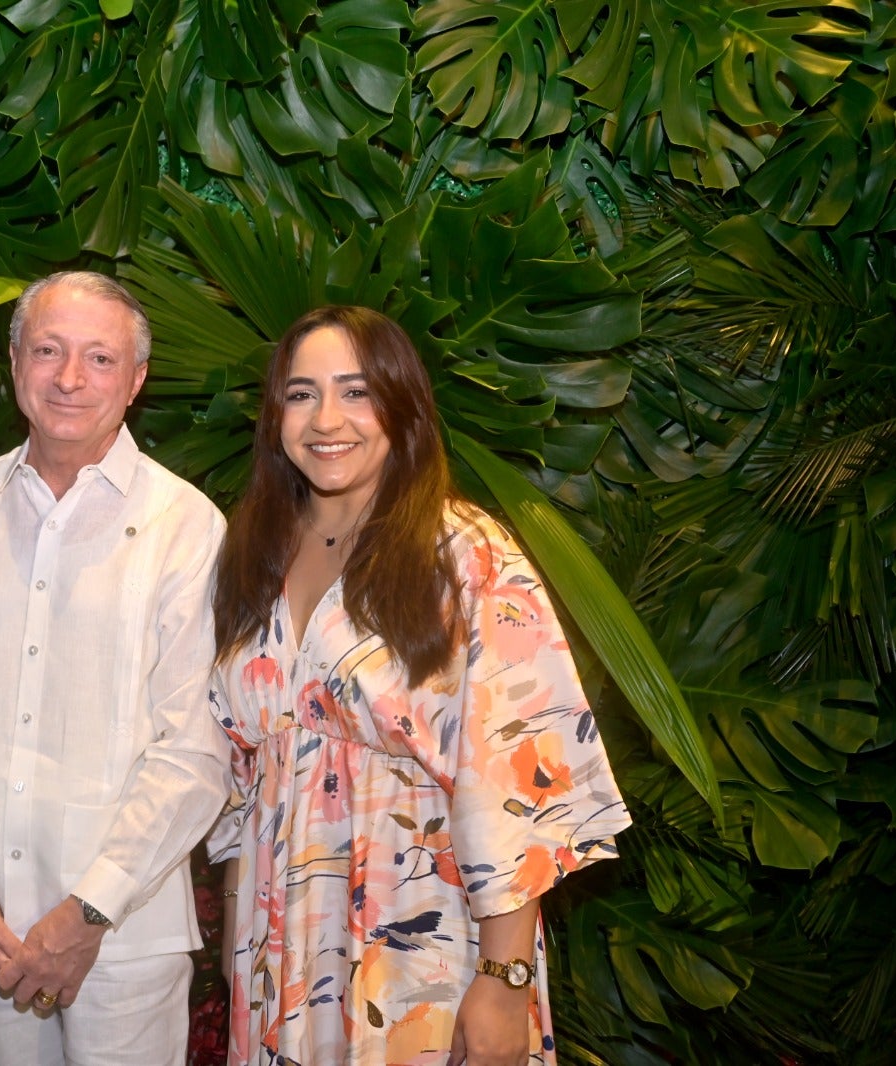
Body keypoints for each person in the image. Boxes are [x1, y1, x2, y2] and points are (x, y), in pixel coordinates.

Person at [208, 306, 631, 1065]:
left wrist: (504, 978)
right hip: (278, 949)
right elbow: (244, 784)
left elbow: (519, 778)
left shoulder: (466, 553)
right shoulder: (253, 556)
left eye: (357, 391)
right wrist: (239, 950)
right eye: (301, 394)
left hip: (421, 932)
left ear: (401, 406)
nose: (326, 419)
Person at [0, 271, 231, 1065]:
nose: (70, 378)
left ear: (136, 381)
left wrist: (89, 910)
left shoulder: (185, 527)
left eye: (100, 358)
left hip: (125, 933)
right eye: (48, 351)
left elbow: (194, 750)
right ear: (14, 364)